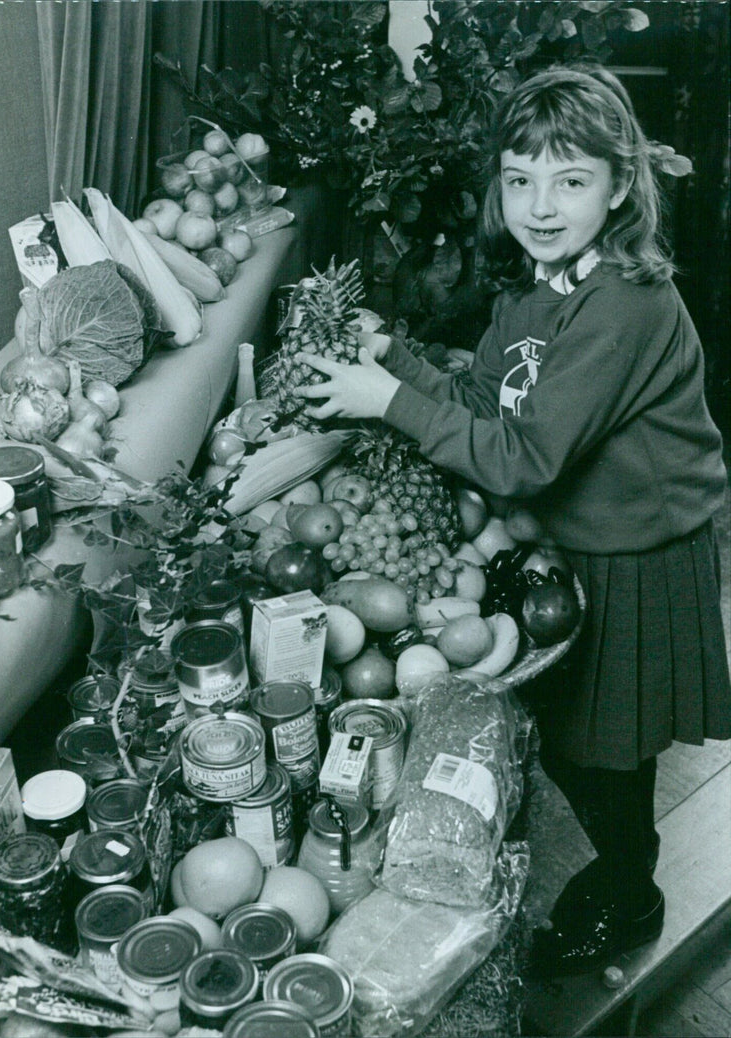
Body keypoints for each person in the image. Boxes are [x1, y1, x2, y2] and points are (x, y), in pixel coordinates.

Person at [294, 64, 731, 975]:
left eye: (571, 181)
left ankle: (630, 890)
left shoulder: (625, 302)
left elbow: (524, 456)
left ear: (619, 189)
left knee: (610, 749)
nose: (540, 204)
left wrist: (385, 402)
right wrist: (398, 360)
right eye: (520, 177)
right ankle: (621, 863)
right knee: (574, 738)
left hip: (637, 552)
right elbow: (483, 398)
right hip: (576, 543)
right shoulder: (539, 287)